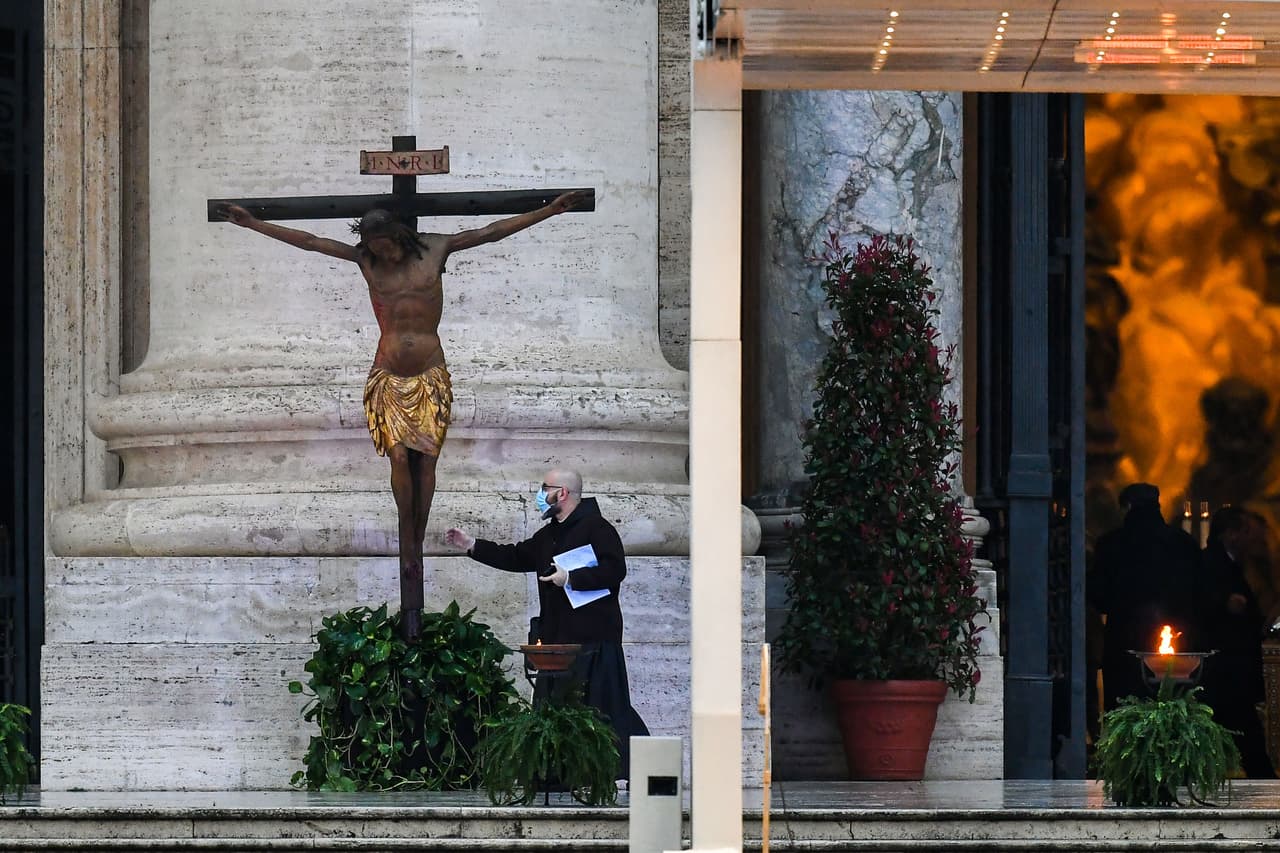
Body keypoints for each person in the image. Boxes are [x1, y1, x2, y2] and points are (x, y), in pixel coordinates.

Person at [217, 191, 589, 639]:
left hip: (430, 372)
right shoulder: (367, 262)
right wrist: (251, 223)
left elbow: (490, 232)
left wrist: (549, 211)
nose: (383, 255)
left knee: (427, 461)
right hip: (389, 371)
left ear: (400, 235)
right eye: (374, 249)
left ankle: (417, 536)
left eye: (387, 246)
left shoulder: (437, 247)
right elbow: (311, 241)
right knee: (397, 458)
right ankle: (407, 540)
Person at [444, 469, 649, 778]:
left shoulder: (597, 528)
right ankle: (556, 776)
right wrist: (472, 544)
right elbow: (515, 556)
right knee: (554, 710)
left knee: (606, 708)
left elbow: (614, 570)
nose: (541, 495)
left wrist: (572, 578)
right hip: (556, 640)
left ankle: (642, 768)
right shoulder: (549, 534)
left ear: (562, 493)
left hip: (594, 640)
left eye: (545, 488)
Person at [1089, 483, 1201, 712]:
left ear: (1127, 507)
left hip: (1125, 644)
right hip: (1176, 646)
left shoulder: (1111, 545)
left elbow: (1098, 595)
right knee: (1171, 709)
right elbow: (1200, 594)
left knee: (1126, 712)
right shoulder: (1183, 544)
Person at [1198, 506, 1277, 778]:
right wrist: (1225, 604)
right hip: (1227, 669)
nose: (1250, 538)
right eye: (1244, 531)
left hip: (1231, 670)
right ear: (1230, 534)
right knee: (1246, 734)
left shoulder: (1235, 565)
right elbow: (1202, 605)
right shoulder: (1213, 565)